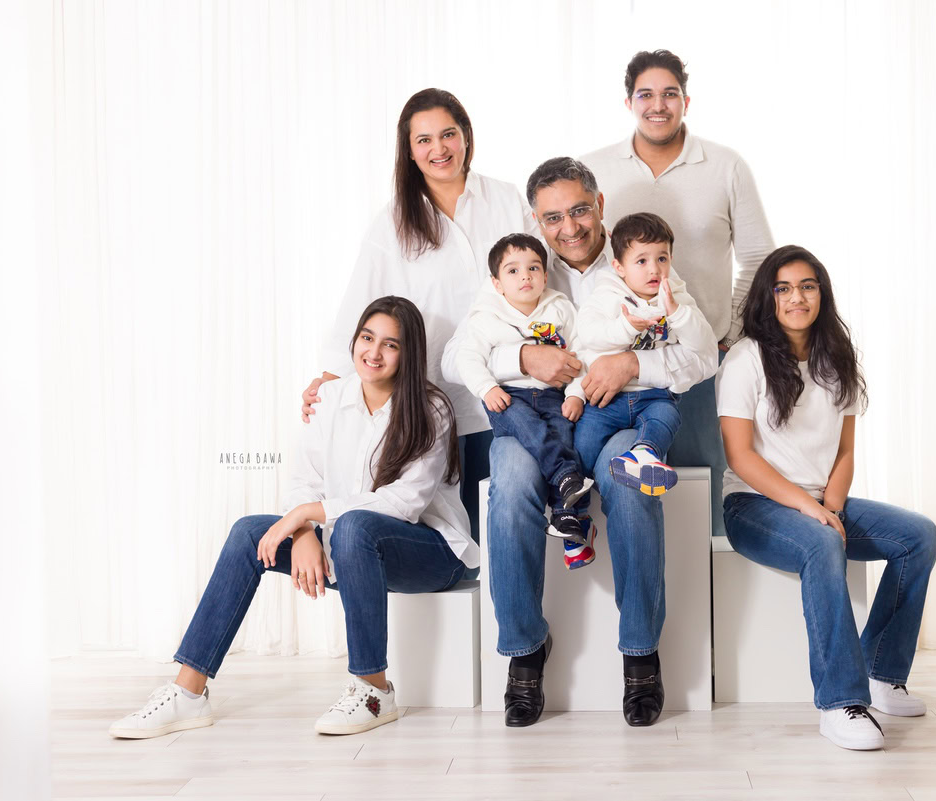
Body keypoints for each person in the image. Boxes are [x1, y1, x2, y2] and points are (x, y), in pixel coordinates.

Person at [110, 297, 476, 739]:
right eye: (366, 338)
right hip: (349, 544)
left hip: (431, 553)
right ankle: (188, 693)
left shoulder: (430, 408)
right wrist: (302, 530)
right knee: (250, 532)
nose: (373, 353)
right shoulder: (330, 397)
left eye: (390, 345)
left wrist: (307, 515)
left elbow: (404, 503)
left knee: (356, 525)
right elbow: (306, 478)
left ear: (409, 353)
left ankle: (374, 691)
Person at [441, 157, 716, 727]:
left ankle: (640, 652)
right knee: (512, 482)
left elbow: (699, 355)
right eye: (552, 217)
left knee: (631, 477)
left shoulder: (643, 265)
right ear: (535, 221)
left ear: (600, 206)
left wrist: (630, 362)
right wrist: (521, 356)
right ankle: (524, 651)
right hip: (536, 422)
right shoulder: (522, 269)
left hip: (610, 420)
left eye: (579, 210)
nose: (568, 227)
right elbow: (456, 355)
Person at [716, 245, 936, 751]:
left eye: (807, 286)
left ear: (821, 293)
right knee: (822, 544)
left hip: (821, 503)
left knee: (918, 536)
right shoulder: (747, 359)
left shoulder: (836, 356)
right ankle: (840, 702)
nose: (797, 297)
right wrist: (811, 510)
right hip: (754, 506)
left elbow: (844, 451)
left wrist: (831, 507)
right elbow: (741, 456)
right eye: (784, 288)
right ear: (768, 297)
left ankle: (883, 672)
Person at [302, 88, 537, 547]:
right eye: (423, 140)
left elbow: (543, 281)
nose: (439, 149)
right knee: (455, 540)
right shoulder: (392, 223)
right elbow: (360, 306)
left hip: (511, 396)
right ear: (408, 152)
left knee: (513, 539)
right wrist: (328, 380)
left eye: (448, 134)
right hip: (436, 409)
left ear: (466, 136)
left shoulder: (508, 201)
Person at [583, 49, 776, 540]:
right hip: (616, 371)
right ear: (628, 101)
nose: (658, 105)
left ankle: (705, 614)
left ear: (686, 101)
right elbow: (575, 255)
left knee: (700, 492)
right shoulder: (595, 169)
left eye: (670, 94)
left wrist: (727, 334)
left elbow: (757, 260)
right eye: (646, 94)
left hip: (696, 364)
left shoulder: (726, 166)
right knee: (624, 493)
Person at [453, 233, 593, 546]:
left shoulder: (560, 308)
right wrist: (486, 387)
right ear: (497, 283)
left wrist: (575, 394)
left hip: (552, 395)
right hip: (508, 396)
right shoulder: (486, 317)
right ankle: (566, 476)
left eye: (533, 268)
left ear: (545, 275)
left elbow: (581, 353)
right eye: (513, 271)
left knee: (563, 432)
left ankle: (566, 514)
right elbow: (467, 358)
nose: (525, 276)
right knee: (527, 425)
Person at [574, 212, 716, 499]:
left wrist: (677, 313)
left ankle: (644, 454)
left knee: (666, 417)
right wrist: (626, 327)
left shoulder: (677, 298)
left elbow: (703, 346)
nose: (655, 269)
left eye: (662, 259)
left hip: (654, 396)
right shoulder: (606, 295)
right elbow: (589, 335)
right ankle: (572, 510)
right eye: (642, 261)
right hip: (606, 400)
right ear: (619, 267)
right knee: (583, 445)